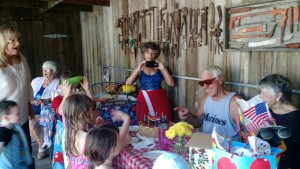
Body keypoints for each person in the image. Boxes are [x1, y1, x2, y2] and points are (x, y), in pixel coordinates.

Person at [0, 25, 35, 168]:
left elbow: (26, 86)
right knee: (9, 160)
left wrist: (30, 109)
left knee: (26, 155)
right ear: (2, 42)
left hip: (22, 118)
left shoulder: (21, 60)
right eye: (12, 40)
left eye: (18, 39)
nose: (18, 43)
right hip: (4, 123)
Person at [63, 94, 130, 169]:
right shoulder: (88, 137)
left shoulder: (68, 134)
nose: (96, 113)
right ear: (82, 115)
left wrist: (97, 126)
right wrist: (126, 119)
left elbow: (70, 163)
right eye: (92, 111)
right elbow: (117, 141)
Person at [175, 65, 242, 139]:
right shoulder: (206, 97)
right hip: (206, 143)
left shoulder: (234, 101)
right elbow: (198, 123)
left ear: (220, 80)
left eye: (208, 82)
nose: (204, 86)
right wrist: (188, 115)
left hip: (226, 148)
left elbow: (246, 132)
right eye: (202, 83)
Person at [258, 74, 300, 169]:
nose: (261, 96)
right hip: (268, 160)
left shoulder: (294, 118)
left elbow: (284, 150)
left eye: (264, 93)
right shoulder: (268, 109)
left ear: (279, 95)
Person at [126, 42, 175, 122]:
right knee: (144, 124)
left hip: (159, 99)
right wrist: (138, 69)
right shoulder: (140, 68)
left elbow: (171, 83)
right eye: (147, 53)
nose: (150, 56)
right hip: (144, 99)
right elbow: (128, 83)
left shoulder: (160, 68)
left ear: (156, 54)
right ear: (144, 54)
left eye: (153, 53)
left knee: (163, 123)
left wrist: (163, 69)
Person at [30, 60, 60, 159]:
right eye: (44, 69)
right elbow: (29, 94)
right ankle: (42, 144)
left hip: (45, 110)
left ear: (54, 72)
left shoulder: (57, 83)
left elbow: (58, 97)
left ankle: (41, 148)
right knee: (27, 122)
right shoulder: (36, 80)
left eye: (48, 70)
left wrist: (43, 100)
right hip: (31, 107)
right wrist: (31, 100)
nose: (45, 71)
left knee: (32, 124)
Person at [0, 100, 33, 169]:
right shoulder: (3, 132)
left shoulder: (15, 127)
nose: (20, 116)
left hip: (22, 164)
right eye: (17, 114)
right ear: (6, 117)